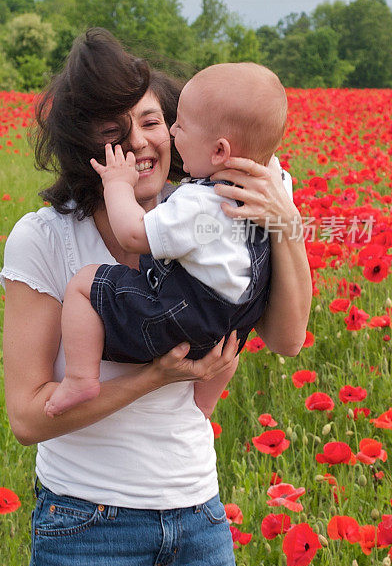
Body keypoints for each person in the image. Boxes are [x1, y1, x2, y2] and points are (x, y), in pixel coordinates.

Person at [0, 28, 311, 566]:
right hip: (89, 528)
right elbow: (27, 418)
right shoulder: (44, 239)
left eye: (150, 121)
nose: (142, 142)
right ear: (83, 146)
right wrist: (155, 377)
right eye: (115, 132)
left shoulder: (211, 212)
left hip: (198, 520)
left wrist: (285, 222)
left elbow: (286, 339)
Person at [45, 62, 289, 417]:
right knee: (230, 340)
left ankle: (81, 378)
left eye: (178, 125)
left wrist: (116, 184)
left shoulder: (196, 203)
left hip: (183, 317)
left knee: (85, 284)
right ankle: (201, 408)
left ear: (219, 151)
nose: (173, 131)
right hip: (234, 316)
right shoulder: (277, 182)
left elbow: (132, 234)